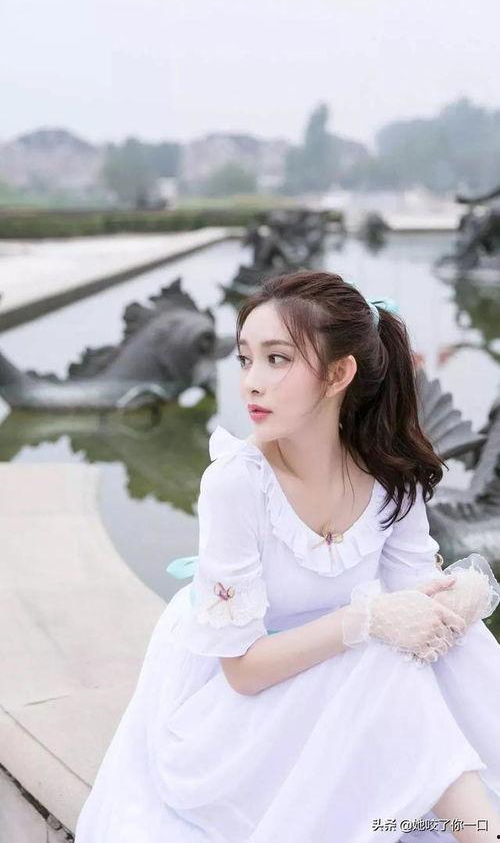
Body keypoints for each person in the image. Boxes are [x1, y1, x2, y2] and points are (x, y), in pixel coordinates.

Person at [75, 270, 500, 843]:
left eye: (277, 359)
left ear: (339, 374)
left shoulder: (388, 476)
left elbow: (418, 596)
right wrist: (364, 620)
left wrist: (456, 599)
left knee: (453, 647)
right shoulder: (237, 483)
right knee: (386, 664)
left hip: (347, 695)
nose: (252, 383)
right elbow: (243, 672)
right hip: (237, 718)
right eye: (245, 359)